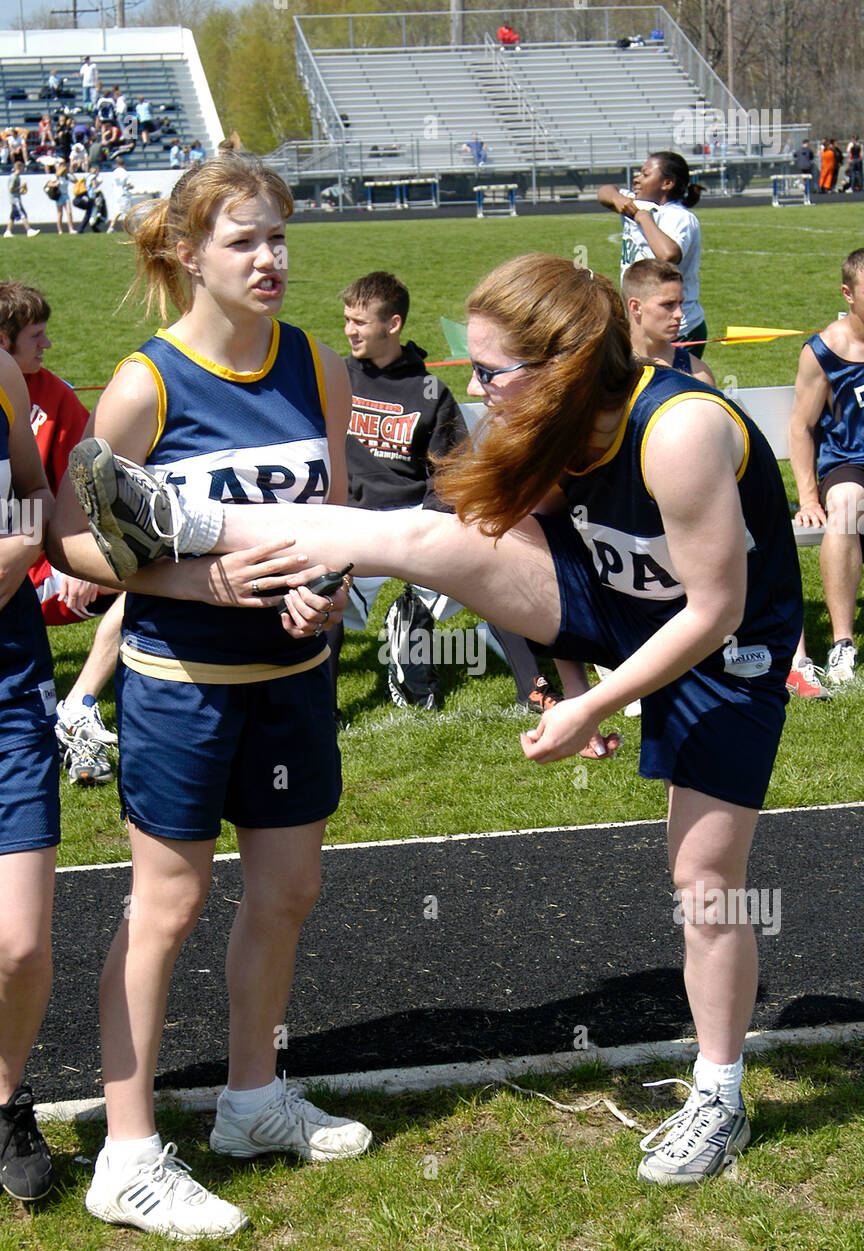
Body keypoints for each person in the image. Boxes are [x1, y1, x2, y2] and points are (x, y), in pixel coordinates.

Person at [63, 253, 803, 1187]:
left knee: (704, 873)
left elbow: (712, 610)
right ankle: (188, 521)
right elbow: (529, 542)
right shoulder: (556, 419)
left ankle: (718, 1092)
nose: (481, 391)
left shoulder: (681, 430)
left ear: (563, 366)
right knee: (419, 536)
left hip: (720, 641)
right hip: (619, 601)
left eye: (493, 372)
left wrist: (590, 702)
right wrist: (564, 673)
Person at [47, 153, 372, 1240]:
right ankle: (127, 1154)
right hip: (181, 690)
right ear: (189, 255)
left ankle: (250, 1101)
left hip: (292, 686)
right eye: (245, 240)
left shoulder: (318, 366)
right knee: (166, 909)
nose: (271, 257)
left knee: (286, 893)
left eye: (280, 235)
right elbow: (70, 538)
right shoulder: (149, 382)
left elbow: (333, 516)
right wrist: (195, 578)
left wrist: (327, 591)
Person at [335, 271, 561, 717]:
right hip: (353, 521)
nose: (349, 331)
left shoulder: (429, 391)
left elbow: (452, 473)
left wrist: (428, 527)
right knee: (319, 594)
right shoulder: (337, 378)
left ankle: (531, 686)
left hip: (418, 518)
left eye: (359, 322)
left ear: (393, 324)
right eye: (347, 320)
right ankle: (320, 707)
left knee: (493, 568)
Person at [0, 280, 123, 783]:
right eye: (36, 336)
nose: (47, 346)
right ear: (3, 340)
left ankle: (77, 704)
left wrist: (67, 555)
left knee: (157, 577)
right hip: (25, 569)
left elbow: (65, 491)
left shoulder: (55, 396)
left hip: (34, 566)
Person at [0, 345, 58, 1206]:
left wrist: (20, 545)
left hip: (10, 682)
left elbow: (35, 497)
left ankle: (5, 1103)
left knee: (17, 941)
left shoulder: (0, 372)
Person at [789, 247, 864, 688]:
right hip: (849, 462)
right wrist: (809, 497)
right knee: (848, 504)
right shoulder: (825, 351)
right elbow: (801, 427)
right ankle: (842, 644)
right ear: (848, 294)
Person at [598, 151, 707, 355]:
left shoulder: (679, 217)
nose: (637, 179)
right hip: (645, 322)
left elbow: (668, 254)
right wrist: (617, 198)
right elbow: (604, 191)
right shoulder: (636, 202)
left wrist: (642, 218)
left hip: (678, 327)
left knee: (673, 384)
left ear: (667, 183)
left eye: (646, 174)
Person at [622, 259, 715, 384]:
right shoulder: (604, 367)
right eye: (668, 304)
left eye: (680, 303)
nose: (680, 314)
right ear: (636, 307)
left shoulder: (697, 375)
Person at [4, 162, 40, 239]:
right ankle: (29, 230)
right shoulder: (13, 177)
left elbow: (15, 190)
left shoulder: (18, 177)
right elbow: (11, 189)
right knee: (23, 214)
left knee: (12, 216)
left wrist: (22, 190)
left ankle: (8, 231)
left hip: (16, 198)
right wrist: (20, 186)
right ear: (19, 167)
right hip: (15, 199)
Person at [107, 156, 134, 232]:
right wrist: (131, 186)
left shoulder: (114, 173)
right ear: (124, 163)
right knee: (126, 212)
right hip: (123, 194)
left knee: (119, 211)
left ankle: (112, 227)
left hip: (116, 193)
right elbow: (128, 185)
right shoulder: (126, 173)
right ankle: (129, 228)